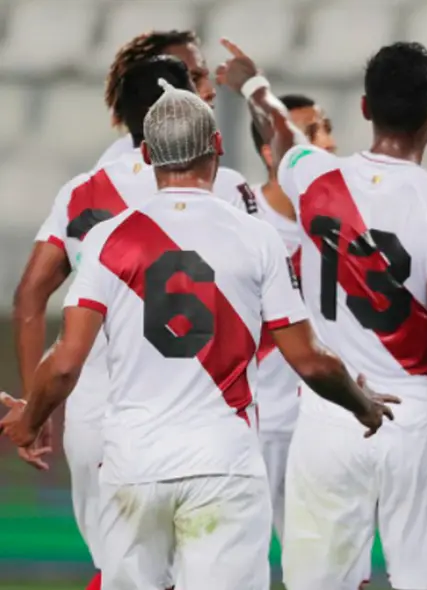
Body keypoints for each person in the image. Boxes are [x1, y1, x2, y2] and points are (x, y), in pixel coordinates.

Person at [1, 79, 396, 590]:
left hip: (133, 467)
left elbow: (65, 363)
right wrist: (362, 404)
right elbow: (312, 361)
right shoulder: (255, 237)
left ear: (146, 153)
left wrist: (30, 419)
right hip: (223, 466)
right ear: (217, 148)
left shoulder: (107, 239)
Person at [218, 39, 427, 590]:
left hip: (332, 418)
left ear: (364, 108)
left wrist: (254, 84)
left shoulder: (313, 175)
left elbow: (282, 131)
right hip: (419, 423)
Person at [10, 55, 250, 590]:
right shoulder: (227, 187)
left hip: (103, 415)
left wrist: (35, 403)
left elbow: (29, 296)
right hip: (205, 410)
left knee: (122, 571)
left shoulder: (82, 190)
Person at [246, 92, 335, 545]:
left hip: (325, 419)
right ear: (272, 152)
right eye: (311, 132)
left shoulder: (344, 220)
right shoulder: (241, 225)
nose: (329, 143)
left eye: (325, 128)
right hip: (259, 424)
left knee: (333, 563)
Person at [98, 29, 257, 214]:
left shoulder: (94, 183)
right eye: (192, 79)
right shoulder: (226, 188)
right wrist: (257, 89)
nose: (210, 90)